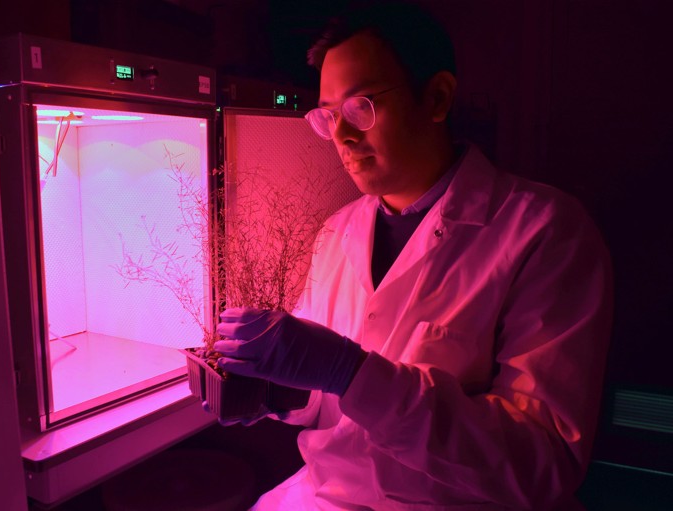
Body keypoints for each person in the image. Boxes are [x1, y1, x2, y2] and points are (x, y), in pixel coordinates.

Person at [213, 2, 614, 509]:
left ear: (437, 97)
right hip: (327, 495)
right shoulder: (335, 234)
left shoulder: (546, 232)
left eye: (361, 106)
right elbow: (329, 409)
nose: (341, 135)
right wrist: (276, 392)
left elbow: (542, 462)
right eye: (328, 116)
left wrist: (351, 372)